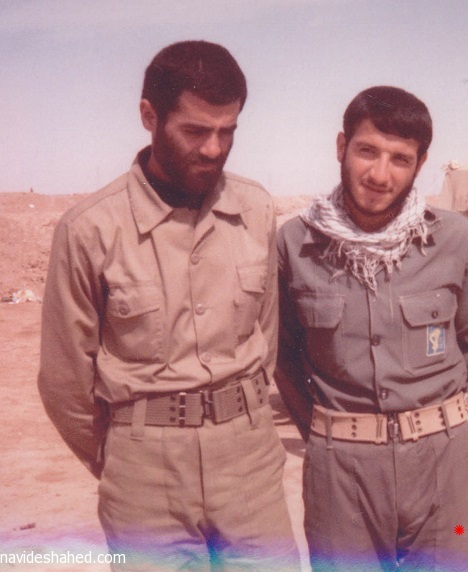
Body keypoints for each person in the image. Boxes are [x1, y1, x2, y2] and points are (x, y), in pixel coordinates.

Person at [38, 40, 299, 570]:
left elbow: (266, 336)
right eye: (195, 131)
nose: (214, 149)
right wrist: (125, 461)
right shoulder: (90, 229)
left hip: (249, 466)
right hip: (144, 480)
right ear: (149, 117)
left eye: (228, 131)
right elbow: (65, 380)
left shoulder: (255, 210)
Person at [275, 85, 468, 571]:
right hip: (341, 478)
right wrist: (333, 436)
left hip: (445, 472)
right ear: (341, 147)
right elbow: (284, 359)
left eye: (400, 159)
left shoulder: (456, 240)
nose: (379, 174)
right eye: (367, 151)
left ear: (420, 163)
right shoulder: (295, 244)